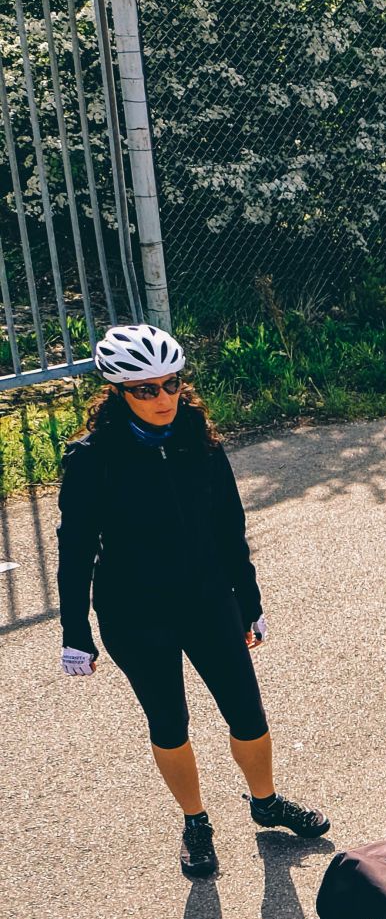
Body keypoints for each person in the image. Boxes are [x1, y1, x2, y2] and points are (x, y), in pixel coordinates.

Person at [55, 323, 329, 879]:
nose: (163, 398)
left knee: (247, 712)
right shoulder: (92, 458)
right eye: (146, 389)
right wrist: (74, 633)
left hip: (207, 598)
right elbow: (75, 550)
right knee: (169, 722)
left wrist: (249, 601)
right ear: (118, 393)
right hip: (134, 612)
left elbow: (230, 526)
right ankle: (196, 822)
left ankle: (266, 803)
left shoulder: (197, 437)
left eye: (171, 384)